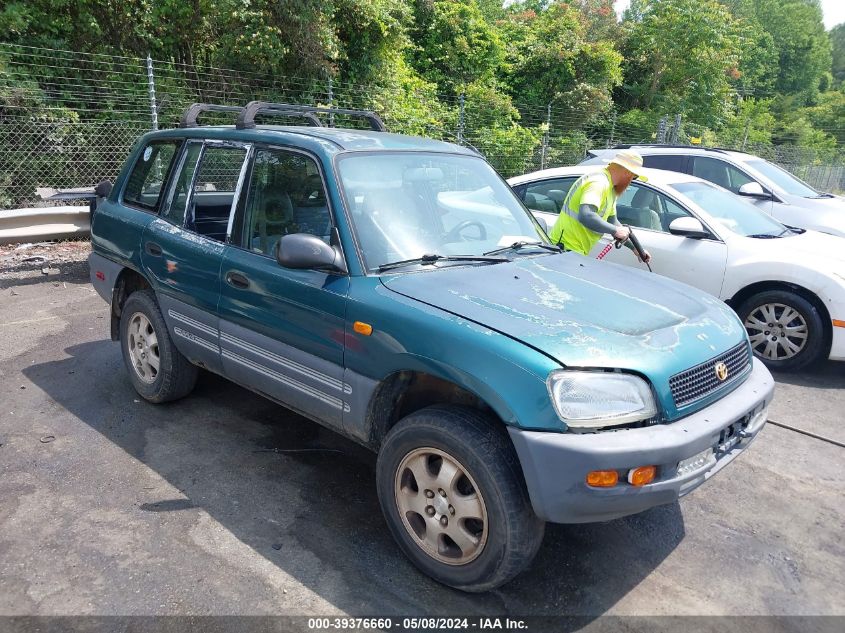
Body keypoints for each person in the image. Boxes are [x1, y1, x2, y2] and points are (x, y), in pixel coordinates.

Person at [548, 149, 652, 263]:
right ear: (628, 172)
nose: (631, 182)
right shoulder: (599, 182)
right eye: (634, 177)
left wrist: (636, 249)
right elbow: (586, 215)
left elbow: (612, 221)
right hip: (564, 249)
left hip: (574, 250)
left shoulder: (610, 188)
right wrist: (615, 230)